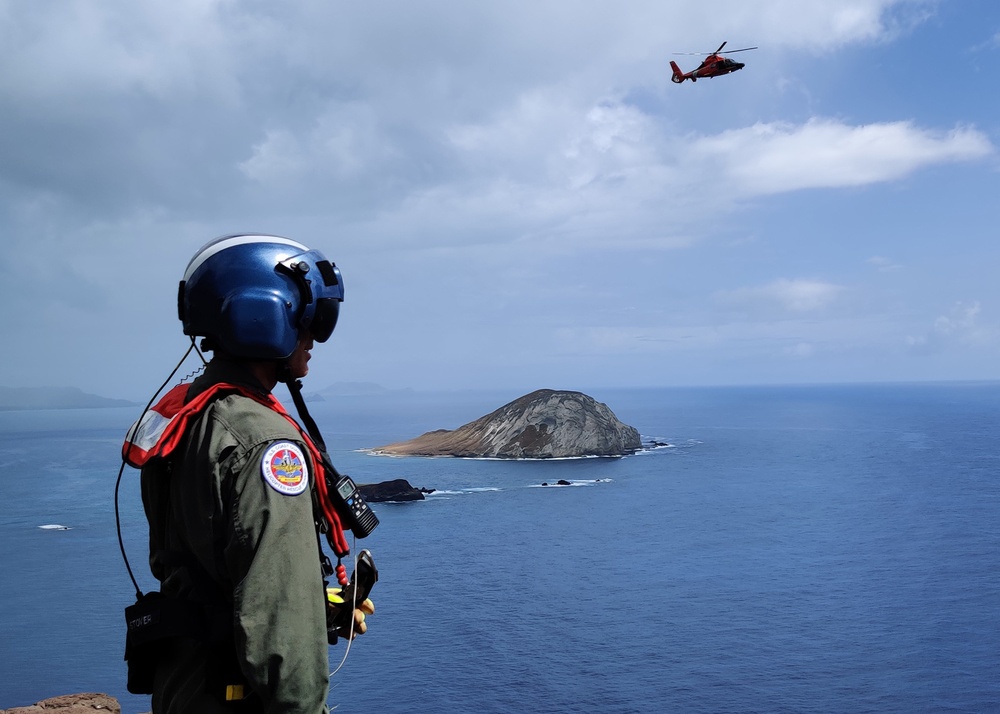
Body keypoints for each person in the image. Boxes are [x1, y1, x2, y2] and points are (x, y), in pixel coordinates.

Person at [124, 234, 372, 713]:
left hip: (184, 685)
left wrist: (317, 605)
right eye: (308, 321)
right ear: (267, 316)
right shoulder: (264, 442)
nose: (313, 339)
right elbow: (279, 631)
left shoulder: (190, 416)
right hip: (235, 696)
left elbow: (210, 567)